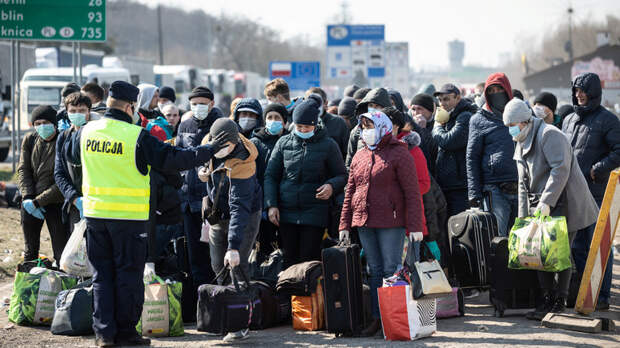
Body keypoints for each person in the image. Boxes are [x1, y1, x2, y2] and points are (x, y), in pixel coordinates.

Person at [66, 81, 228, 347]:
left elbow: (71, 156)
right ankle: (127, 334)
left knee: (102, 277)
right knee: (128, 276)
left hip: (95, 216)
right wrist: (209, 150)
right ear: (130, 107)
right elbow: (175, 158)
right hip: (129, 220)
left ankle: (104, 334)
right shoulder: (136, 136)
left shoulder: (86, 131)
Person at [503, 98, 598, 318]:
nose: (510, 131)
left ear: (525, 121)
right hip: (540, 205)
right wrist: (523, 219)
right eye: (507, 126)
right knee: (537, 251)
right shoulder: (520, 139)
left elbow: (560, 170)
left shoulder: (549, 134)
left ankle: (560, 299)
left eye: (512, 126)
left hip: (565, 201)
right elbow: (522, 182)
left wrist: (546, 202)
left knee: (559, 252)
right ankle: (546, 298)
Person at [339, 110, 424, 337]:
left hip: (391, 221)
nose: (366, 131)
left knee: (391, 269)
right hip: (365, 220)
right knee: (374, 269)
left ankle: (394, 319)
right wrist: (344, 224)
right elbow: (350, 191)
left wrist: (415, 226)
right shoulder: (360, 155)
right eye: (363, 126)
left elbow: (412, 193)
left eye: (370, 126)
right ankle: (378, 318)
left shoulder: (399, 153)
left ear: (383, 127)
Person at [198, 118, 262, 342]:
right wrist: (205, 178)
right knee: (218, 264)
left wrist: (234, 246)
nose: (227, 149)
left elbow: (239, 209)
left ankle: (240, 323)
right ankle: (225, 313)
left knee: (237, 264)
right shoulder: (209, 143)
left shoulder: (245, 161)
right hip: (218, 213)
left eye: (230, 146)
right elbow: (206, 167)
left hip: (245, 215)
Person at [264, 99, 346, 269]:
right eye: (299, 127)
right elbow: (271, 176)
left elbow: (342, 175)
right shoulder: (283, 143)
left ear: (315, 125)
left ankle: (309, 296)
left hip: (315, 214)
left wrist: (331, 186)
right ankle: (289, 296)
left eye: (306, 127)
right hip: (286, 214)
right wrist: (272, 205)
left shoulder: (329, 145)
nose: (302, 130)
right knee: (289, 262)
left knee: (309, 263)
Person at [562, 72, 620, 311]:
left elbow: (619, 150)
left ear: (594, 92)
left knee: (597, 247)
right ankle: (584, 293)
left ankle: (603, 296)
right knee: (576, 247)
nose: (579, 95)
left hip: (596, 192)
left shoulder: (608, 120)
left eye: (584, 91)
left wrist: (599, 168)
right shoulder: (568, 120)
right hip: (572, 193)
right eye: (576, 91)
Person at [176, 86, 224, 292]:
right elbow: (178, 156)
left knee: (214, 252)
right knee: (194, 253)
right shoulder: (184, 125)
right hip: (188, 199)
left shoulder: (221, 125)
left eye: (202, 104)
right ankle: (200, 297)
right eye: (194, 104)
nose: (198, 108)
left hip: (211, 200)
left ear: (212, 104)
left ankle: (217, 293)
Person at [467, 73, 519, 237]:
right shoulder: (478, 120)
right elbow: (472, 157)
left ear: (508, 90)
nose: (496, 94)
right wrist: (474, 193)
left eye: (499, 89)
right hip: (494, 188)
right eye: (492, 90)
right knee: (498, 238)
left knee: (522, 237)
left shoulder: (520, 113)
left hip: (522, 186)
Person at [17, 105, 68, 264]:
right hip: (30, 203)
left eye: (45, 122)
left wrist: (38, 201)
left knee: (61, 253)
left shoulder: (64, 141)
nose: (41, 126)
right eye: (37, 123)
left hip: (55, 204)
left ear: (54, 123)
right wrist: (28, 197)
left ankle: (60, 286)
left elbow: (62, 180)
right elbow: (23, 169)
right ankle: (29, 284)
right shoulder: (30, 140)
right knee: (30, 252)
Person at [432, 83, 478, 217]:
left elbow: (448, 141)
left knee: (459, 226)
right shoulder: (448, 116)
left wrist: (437, 126)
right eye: (440, 100)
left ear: (458, 98)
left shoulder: (464, 116)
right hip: (449, 183)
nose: (442, 103)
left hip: (459, 185)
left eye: (446, 99)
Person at [250, 103, 289, 259]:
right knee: (264, 248)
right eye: (270, 117)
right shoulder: (255, 143)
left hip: (286, 202)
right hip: (261, 203)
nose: (273, 121)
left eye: (277, 118)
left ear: (284, 121)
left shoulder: (290, 141)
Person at [54, 92, 94, 230]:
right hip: (75, 204)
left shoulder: (97, 135)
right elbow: (59, 173)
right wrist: (75, 199)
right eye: (73, 111)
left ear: (89, 111)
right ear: (67, 112)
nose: (77, 114)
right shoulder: (64, 137)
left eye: (82, 110)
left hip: (98, 203)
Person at [346, 87, 392, 170]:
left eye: (377, 106)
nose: (373, 109)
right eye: (370, 105)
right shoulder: (357, 131)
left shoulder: (392, 128)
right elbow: (350, 163)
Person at [306, 88, 349, 158]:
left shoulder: (338, 123)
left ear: (325, 103)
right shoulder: (298, 125)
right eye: (309, 101)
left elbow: (347, 152)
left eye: (317, 102)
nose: (313, 105)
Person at [409, 93, 439, 176]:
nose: (416, 113)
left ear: (430, 111)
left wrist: (423, 129)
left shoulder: (438, 124)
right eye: (413, 109)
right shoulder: (408, 126)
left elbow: (433, 150)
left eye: (420, 109)